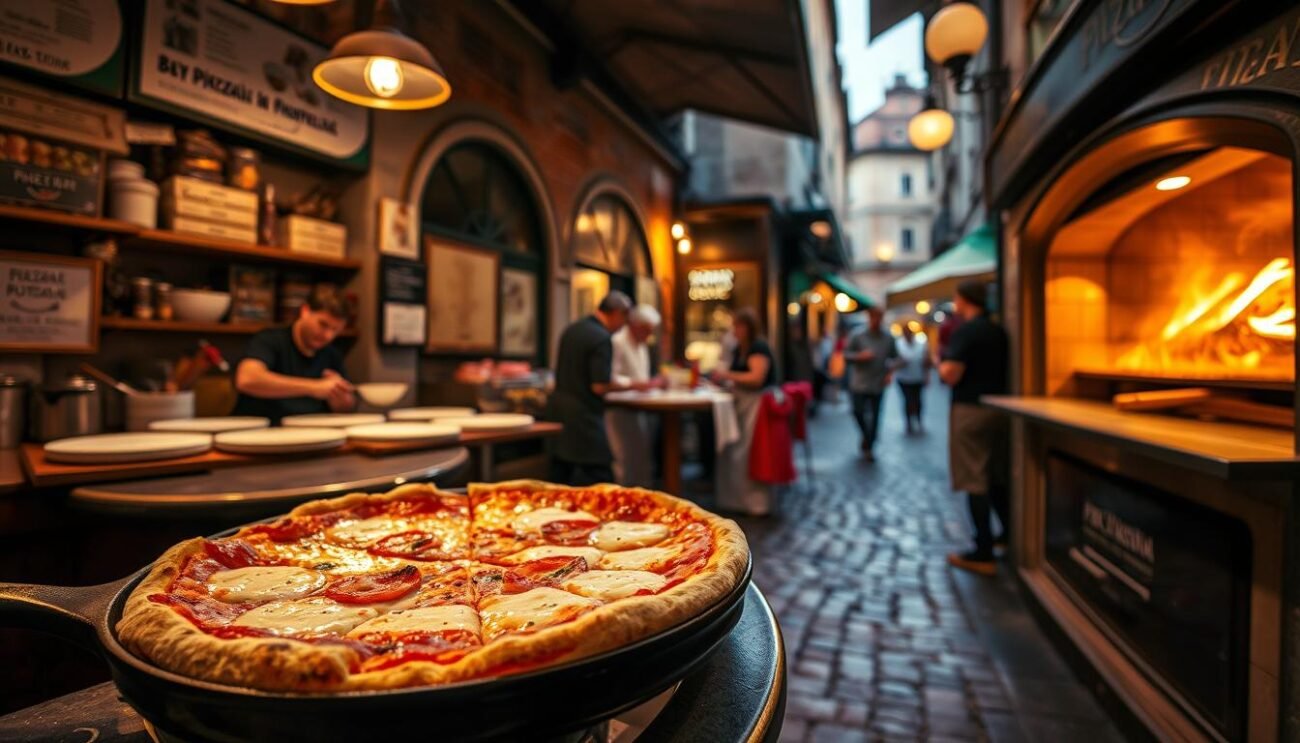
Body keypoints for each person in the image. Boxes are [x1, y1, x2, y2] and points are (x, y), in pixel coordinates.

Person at [941, 280, 1010, 576]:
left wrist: (939, 364)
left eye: (956, 298)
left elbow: (951, 374)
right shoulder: (997, 330)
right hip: (999, 409)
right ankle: (1007, 536)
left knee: (973, 479)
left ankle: (983, 551)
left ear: (965, 299)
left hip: (970, 410)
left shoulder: (966, 331)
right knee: (995, 475)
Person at [232, 287, 355, 423]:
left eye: (335, 330)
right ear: (305, 311)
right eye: (323, 325)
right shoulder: (270, 339)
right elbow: (247, 379)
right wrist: (314, 387)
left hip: (310, 432)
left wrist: (341, 399)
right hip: (260, 430)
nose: (328, 335)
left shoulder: (332, 354)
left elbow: (344, 409)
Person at [548, 291, 632, 486]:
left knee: (560, 479)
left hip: (558, 410)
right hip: (584, 415)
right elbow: (599, 386)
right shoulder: (601, 337)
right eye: (624, 319)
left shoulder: (573, 329)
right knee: (601, 478)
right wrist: (630, 384)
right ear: (616, 313)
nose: (623, 326)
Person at [711, 308, 778, 515]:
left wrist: (726, 375)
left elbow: (756, 378)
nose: (735, 330)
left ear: (748, 327)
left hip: (755, 405)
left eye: (738, 326)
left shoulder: (758, 347)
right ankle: (734, 500)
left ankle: (754, 503)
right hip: (742, 403)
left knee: (748, 452)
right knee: (735, 450)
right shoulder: (739, 348)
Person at [607, 305, 664, 487]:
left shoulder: (642, 344)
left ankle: (643, 494)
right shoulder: (617, 341)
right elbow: (610, 377)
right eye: (646, 330)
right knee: (625, 458)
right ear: (635, 325)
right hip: (620, 407)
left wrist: (650, 383)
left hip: (640, 406)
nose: (649, 334)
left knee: (641, 457)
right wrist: (637, 384)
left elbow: (642, 375)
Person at [845, 307, 898, 462]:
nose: (876, 321)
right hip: (859, 383)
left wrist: (889, 373)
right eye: (873, 317)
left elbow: (895, 358)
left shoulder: (888, 338)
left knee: (875, 416)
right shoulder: (857, 335)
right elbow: (846, 355)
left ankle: (869, 446)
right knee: (858, 411)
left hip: (877, 383)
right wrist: (859, 356)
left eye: (878, 317)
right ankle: (867, 437)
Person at [895, 324, 930, 434]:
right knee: (907, 400)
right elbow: (893, 361)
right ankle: (908, 422)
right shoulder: (898, 344)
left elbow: (926, 361)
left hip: (917, 378)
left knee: (918, 400)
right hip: (903, 378)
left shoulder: (921, 344)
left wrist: (926, 375)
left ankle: (918, 420)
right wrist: (900, 363)